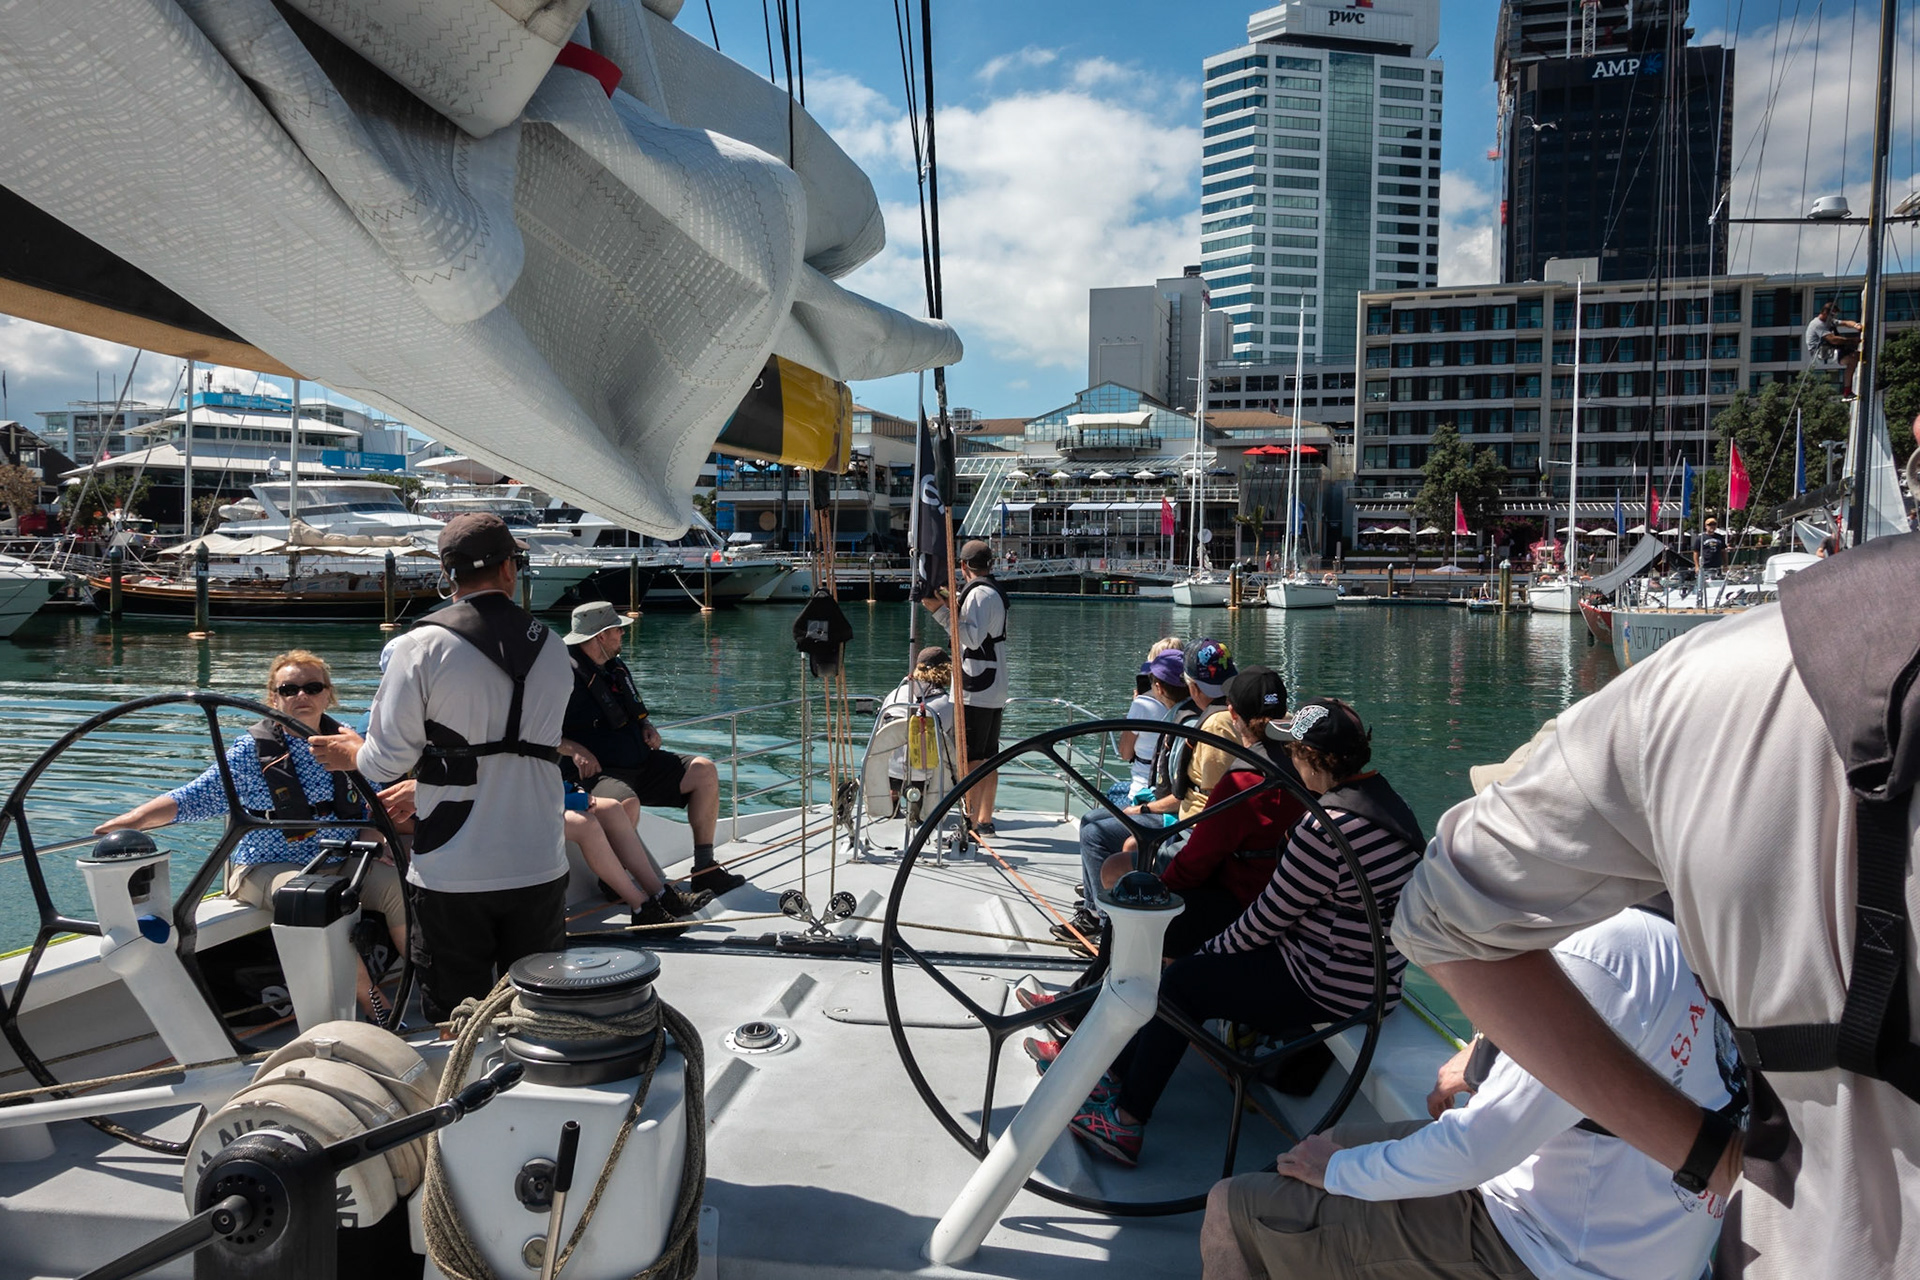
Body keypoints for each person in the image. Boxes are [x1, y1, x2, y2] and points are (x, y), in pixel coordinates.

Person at [1388, 535, 1920, 1277]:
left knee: (1249, 1211)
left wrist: (1714, 1158)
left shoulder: (1706, 686)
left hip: (1780, 1238)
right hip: (1707, 1232)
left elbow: (1437, 916)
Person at [1199, 734, 1740, 1280]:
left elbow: (1477, 1150)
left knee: (1230, 1207)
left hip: (1547, 1250)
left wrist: (1338, 1173)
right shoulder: (1687, 935)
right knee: (1328, 1143)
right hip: (1638, 1238)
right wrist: (1487, 1049)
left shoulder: (1597, 954)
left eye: (1510, 824)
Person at [1067, 699, 1425, 1166]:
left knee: (1181, 985)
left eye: (1293, 751)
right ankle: (1113, 1075)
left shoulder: (1324, 829)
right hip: (1375, 981)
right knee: (1197, 972)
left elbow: (1266, 920)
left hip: (1324, 983)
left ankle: (1125, 1121)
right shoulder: (1390, 807)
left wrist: (1205, 955)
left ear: (1308, 758)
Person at [311, 513, 572, 1021]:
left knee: (459, 1016)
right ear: (509, 570)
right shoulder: (555, 648)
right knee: (541, 1006)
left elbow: (387, 761)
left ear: (447, 574)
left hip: (455, 870)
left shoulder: (418, 647)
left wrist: (349, 754)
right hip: (541, 856)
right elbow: (522, 747)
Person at [97, 650, 408, 1023]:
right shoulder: (252, 752)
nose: (300, 696)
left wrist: (375, 834)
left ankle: (432, 988)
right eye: (289, 689)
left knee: (398, 884)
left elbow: (375, 798)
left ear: (329, 694)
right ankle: (378, 1008)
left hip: (340, 856)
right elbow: (195, 797)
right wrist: (134, 819)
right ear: (273, 698)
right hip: (267, 863)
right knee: (309, 896)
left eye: (312, 687)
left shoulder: (348, 743)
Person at [558, 601, 738, 895]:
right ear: (600, 636)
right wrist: (574, 749)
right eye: (618, 630)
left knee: (704, 770)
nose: (623, 635)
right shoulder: (562, 676)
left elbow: (629, 709)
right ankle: (615, 882)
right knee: (624, 803)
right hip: (596, 773)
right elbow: (539, 731)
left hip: (640, 763)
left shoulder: (613, 666)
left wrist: (647, 726)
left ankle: (705, 869)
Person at [1064, 637, 1233, 943]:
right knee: (1097, 820)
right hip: (1180, 815)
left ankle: (1103, 922)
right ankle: (1096, 909)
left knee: (1095, 831)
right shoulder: (1201, 718)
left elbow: (1193, 798)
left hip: (1180, 823)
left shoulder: (1203, 725)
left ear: (1192, 687)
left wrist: (1142, 809)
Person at [921, 538, 1011, 833]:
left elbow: (970, 639)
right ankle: (984, 819)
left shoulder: (978, 596)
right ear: (991, 565)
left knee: (971, 758)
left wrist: (941, 612)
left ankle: (970, 822)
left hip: (976, 688)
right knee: (989, 756)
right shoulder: (990, 592)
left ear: (962, 566)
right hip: (993, 685)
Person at [879, 646, 954, 814]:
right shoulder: (946, 702)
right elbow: (947, 743)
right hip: (922, 775)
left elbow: (880, 729)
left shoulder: (896, 694)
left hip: (888, 771)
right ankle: (919, 807)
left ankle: (892, 798)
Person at [1804, 299, 1864, 398]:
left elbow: (1845, 323)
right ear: (1824, 313)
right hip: (1821, 354)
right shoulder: (1818, 324)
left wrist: (1856, 325)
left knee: (1857, 355)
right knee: (1852, 359)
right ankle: (1847, 391)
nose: (1833, 318)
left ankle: (1852, 388)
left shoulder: (1829, 321)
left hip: (1828, 348)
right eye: (1831, 315)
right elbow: (1833, 340)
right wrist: (1852, 340)